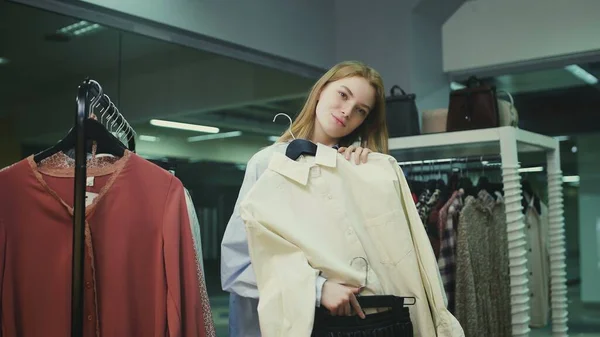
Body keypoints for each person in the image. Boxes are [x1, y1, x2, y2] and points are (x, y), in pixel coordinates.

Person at [220, 60, 389, 337]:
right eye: (343, 95)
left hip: (346, 325)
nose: (347, 112)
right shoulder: (268, 164)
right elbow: (237, 265)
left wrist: (366, 174)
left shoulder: (356, 170)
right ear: (321, 90)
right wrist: (317, 288)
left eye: (360, 110)